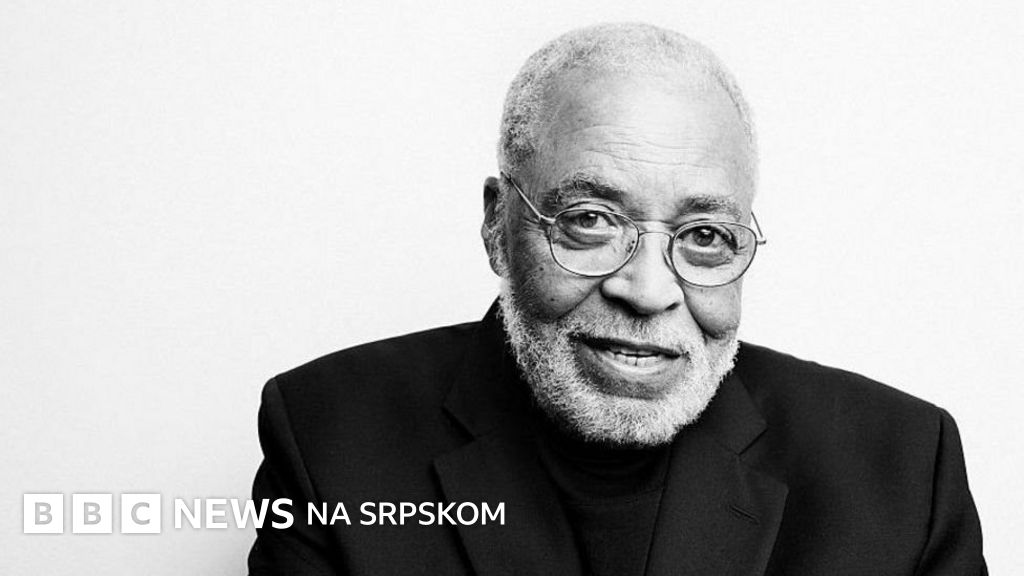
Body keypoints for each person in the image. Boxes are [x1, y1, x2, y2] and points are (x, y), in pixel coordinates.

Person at [248, 22, 986, 575]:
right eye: (592, 221)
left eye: (704, 236)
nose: (649, 291)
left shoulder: (900, 469)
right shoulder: (329, 437)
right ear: (499, 227)